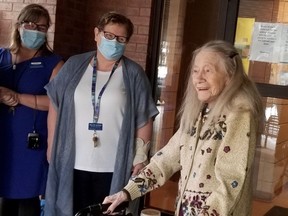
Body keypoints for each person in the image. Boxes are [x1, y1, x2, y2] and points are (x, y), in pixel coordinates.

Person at [103, 40, 264, 216]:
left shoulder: (239, 114)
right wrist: (127, 192)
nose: (198, 77)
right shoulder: (199, 113)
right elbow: (166, 159)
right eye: (195, 70)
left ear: (229, 75)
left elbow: (231, 180)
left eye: (208, 70)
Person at [44, 12, 159, 216]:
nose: (114, 42)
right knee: (69, 209)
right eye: (109, 36)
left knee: (108, 211)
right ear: (96, 34)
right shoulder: (73, 65)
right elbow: (55, 104)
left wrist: (140, 158)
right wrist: (51, 143)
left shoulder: (133, 73)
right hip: (73, 160)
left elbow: (144, 118)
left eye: (121, 39)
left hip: (113, 163)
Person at [0, 4, 64, 216]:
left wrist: (18, 98)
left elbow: (56, 102)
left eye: (43, 27)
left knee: (28, 195)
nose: (36, 30)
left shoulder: (53, 63)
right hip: (4, 139)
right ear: (19, 25)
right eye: (31, 24)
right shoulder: (1, 57)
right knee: (4, 196)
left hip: (32, 142)